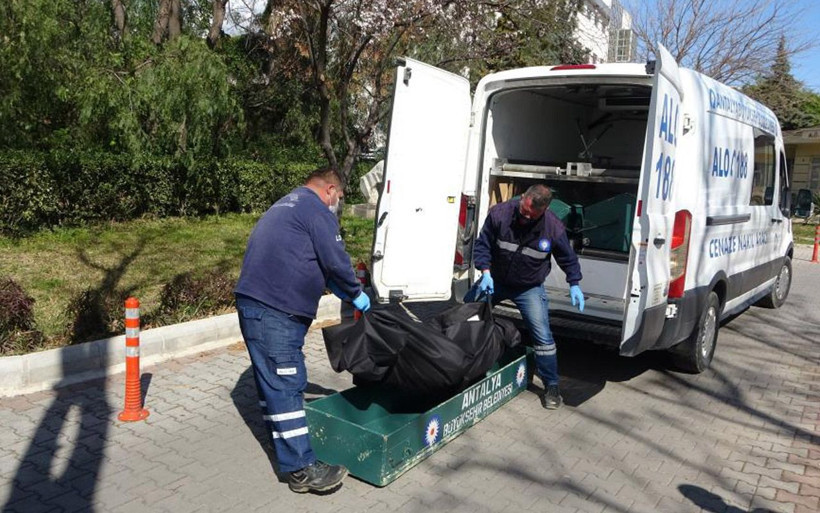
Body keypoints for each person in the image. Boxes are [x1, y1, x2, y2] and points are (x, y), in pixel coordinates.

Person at [234, 167, 370, 493]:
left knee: (273, 384)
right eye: (339, 197)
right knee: (287, 384)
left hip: (256, 305)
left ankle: (283, 445)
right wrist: (355, 292)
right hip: (275, 311)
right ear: (330, 189)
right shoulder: (316, 210)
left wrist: (339, 288)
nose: (337, 203)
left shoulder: (287, 204)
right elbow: (335, 259)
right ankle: (302, 470)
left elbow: (308, 259)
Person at [465, 184, 584, 410]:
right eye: (523, 210)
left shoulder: (553, 227)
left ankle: (551, 386)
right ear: (522, 198)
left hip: (528, 287)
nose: (525, 216)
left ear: (544, 211)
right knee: (466, 313)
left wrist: (574, 283)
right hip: (495, 280)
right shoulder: (500, 214)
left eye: (531, 215)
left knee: (543, 336)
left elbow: (568, 258)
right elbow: (483, 245)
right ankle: (459, 364)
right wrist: (485, 272)